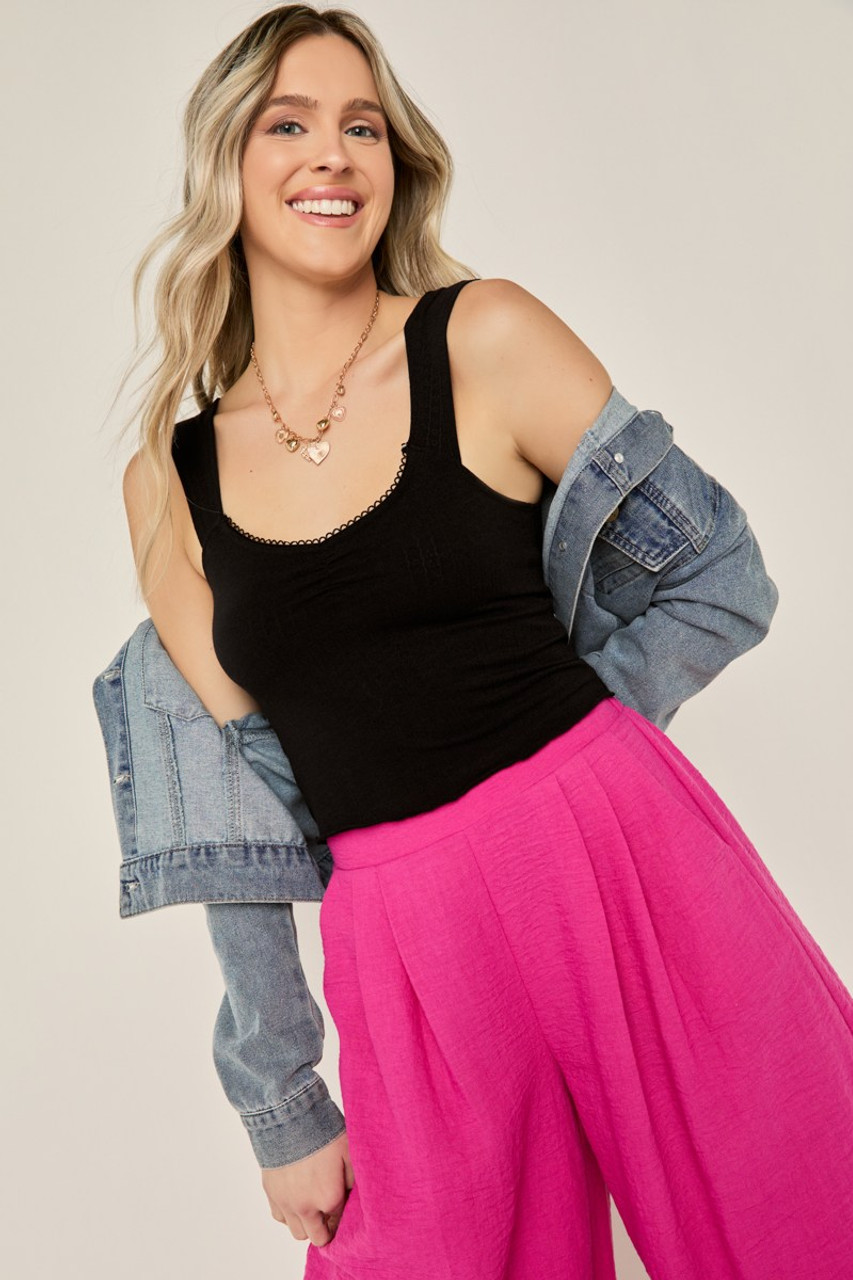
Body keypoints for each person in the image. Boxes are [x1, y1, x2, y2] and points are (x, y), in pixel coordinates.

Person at [112, 4, 853, 1277]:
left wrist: (574, 760)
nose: (332, 154)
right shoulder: (166, 483)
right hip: (405, 936)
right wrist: (282, 1102)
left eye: (362, 126)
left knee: (792, 1217)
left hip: (621, 858)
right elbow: (238, 810)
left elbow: (719, 574)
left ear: (395, 161)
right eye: (288, 124)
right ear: (224, 161)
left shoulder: (486, 339)